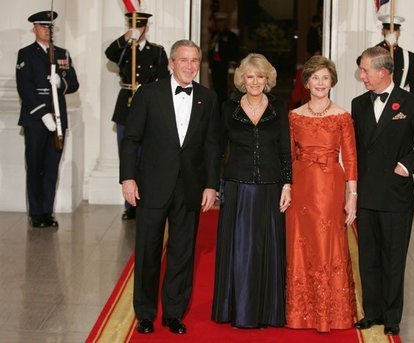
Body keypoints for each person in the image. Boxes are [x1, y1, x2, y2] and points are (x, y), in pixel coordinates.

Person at [120, 40, 220, 335]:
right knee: (148, 249)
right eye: (184, 60)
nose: (189, 66)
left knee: (182, 252)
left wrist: (211, 185)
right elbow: (131, 139)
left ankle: (174, 313)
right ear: (171, 63)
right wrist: (128, 178)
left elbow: (213, 146)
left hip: (189, 186)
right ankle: (146, 313)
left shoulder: (208, 98)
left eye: (194, 61)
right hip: (151, 185)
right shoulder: (148, 94)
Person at [352, 47, 414, 335]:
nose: (361, 76)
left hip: (395, 195)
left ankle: (391, 316)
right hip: (366, 193)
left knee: (393, 259)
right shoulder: (358, 103)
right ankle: (372, 312)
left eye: (365, 70)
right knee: (368, 258)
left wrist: (406, 164)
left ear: (383, 71)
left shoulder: (411, 104)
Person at [212, 53, 292, 328]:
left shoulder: (279, 108)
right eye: (250, 76)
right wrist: (214, 184)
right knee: (240, 250)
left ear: (267, 79)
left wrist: (287, 184)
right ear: (242, 80)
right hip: (237, 187)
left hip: (271, 188)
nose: (255, 81)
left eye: (260, 76)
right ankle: (236, 309)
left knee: (267, 249)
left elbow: (285, 150)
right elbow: (217, 149)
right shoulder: (227, 108)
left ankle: (268, 311)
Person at [286, 55, 358, 332]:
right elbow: (288, 156)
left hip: (330, 186)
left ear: (332, 82)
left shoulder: (342, 116)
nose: (320, 83)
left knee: (328, 242)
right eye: (315, 77)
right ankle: (300, 312)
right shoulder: (294, 116)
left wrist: (352, 196)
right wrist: (286, 188)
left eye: (325, 78)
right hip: (301, 184)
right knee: (300, 243)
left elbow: (350, 158)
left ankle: (332, 313)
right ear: (306, 82)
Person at [16, 10, 79, 228]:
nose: (47, 30)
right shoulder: (26, 54)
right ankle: (35, 213)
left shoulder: (62, 53)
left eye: (50, 27)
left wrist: (61, 83)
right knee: (35, 166)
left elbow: (74, 83)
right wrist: (43, 113)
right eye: (43, 26)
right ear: (34, 29)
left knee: (52, 167)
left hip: (58, 119)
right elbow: (25, 87)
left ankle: (46, 212)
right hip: (36, 120)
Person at [105, 12, 169, 220]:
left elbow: (162, 82)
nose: (138, 30)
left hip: (148, 107)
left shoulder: (158, 52)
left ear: (146, 28)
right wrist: (126, 38)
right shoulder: (125, 51)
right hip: (126, 106)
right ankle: (130, 203)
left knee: (147, 156)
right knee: (128, 155)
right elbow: (109, 53)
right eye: (134, 27)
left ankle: (146, 198)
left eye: (141, 27)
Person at [358, 15, 414, 96]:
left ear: (399, 32)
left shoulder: (409, 56)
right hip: (377, 97)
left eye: (395, 29)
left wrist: (413, 105)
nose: (391, 32)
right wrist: (385, 46)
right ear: (382, 31)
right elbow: (360, 61)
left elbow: (413, 85)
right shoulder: (373, 54)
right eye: (388, 29)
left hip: (401, 100)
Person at [208, 12, 239, 103]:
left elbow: (234, 51)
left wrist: (232, 64)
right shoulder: (214, 35)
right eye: (217, 22)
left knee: (226, 87)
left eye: (221, 22)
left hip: (225, 65)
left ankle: (225, 105)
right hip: (215, 65)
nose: (219, 24)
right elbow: (211, 50)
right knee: (216, 87)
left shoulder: (231, 36)